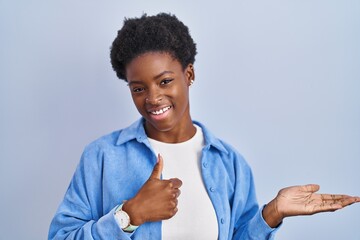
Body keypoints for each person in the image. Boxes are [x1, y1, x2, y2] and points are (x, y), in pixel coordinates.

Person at [48, 13, 359, 240]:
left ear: (190, 75)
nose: (153, 98)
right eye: (138, 88)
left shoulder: (229, 162)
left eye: (165, 81)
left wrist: (271, 213)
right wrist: (130, 215)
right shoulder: (102, 157)